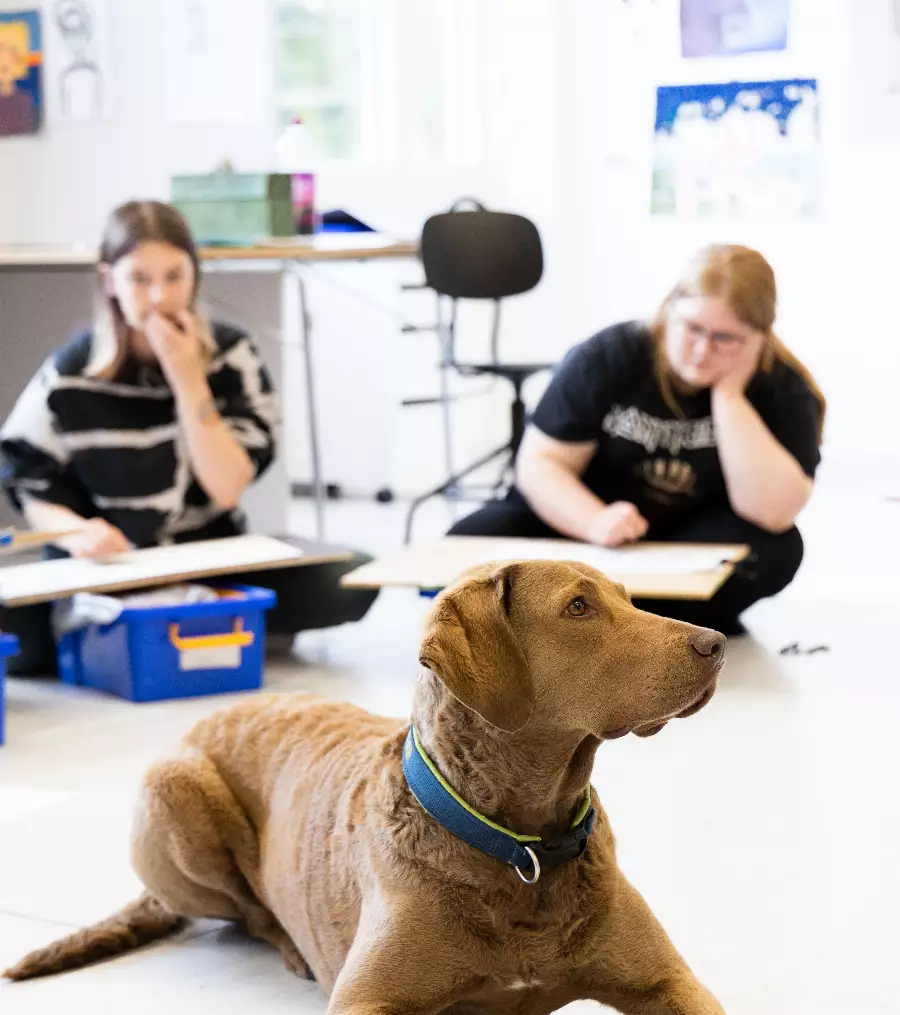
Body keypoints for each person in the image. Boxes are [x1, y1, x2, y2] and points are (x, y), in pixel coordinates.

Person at [0, 200, 375, 674]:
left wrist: (188, 379)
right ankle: (166, 629)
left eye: (174, 276)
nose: (159, 297)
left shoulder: (232, 355)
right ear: (109, 281)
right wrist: (78, 531)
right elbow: (25, 474)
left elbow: (227, 487)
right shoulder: (71, 372)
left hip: (209, 561)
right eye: (139, 279)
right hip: (108, 570)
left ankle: (180, 623)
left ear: (195, 274)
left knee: (353, 576)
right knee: (14, 626)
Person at [448, 244, 825, 635]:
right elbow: (541, 464)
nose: (702, 351)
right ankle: (637, 617)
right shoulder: (610, 355)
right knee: (467, 542)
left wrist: (729, 397)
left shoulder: (782, 386)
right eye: (693, 329)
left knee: (778, 550)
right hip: (592, 530)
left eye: (726, 338)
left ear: (760, 338)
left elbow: (772, 511)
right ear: (668, 309)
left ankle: (602, 620)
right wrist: (593, 520)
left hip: (691, 538)